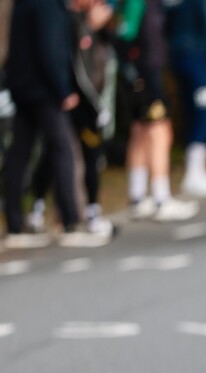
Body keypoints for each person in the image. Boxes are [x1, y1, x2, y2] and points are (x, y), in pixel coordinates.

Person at [27, 0, 118, 246]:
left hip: (90, 102)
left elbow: (111, 45)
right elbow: (71, 61)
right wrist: (88, 27)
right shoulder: (66, 18)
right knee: (54, 153)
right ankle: (40, 210)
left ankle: (91, 211)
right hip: (70, 98)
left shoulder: (93, 21)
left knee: (90, 153)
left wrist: (100, 25)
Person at [3, 0, 87, 248]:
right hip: (44, 91)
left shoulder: (23, 4)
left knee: (19, 153)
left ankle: (15, 224)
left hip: (22, 87)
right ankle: (70, 221)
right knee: (62, 149)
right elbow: (50, 48)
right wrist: (62, 90)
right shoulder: (48, 5)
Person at [116, 0, 200, 221]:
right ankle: (161, 198)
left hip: (143, 71)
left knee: (140, 130)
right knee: (159, 131)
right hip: (145, 73)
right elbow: (125, 32)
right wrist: (131, 67)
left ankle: (137, 195)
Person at [164, 0, 206, 197]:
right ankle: (195, 172)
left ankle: (194, 170)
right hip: (196, 56)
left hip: (176, 57)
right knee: (204, 111)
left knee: (192, 112)